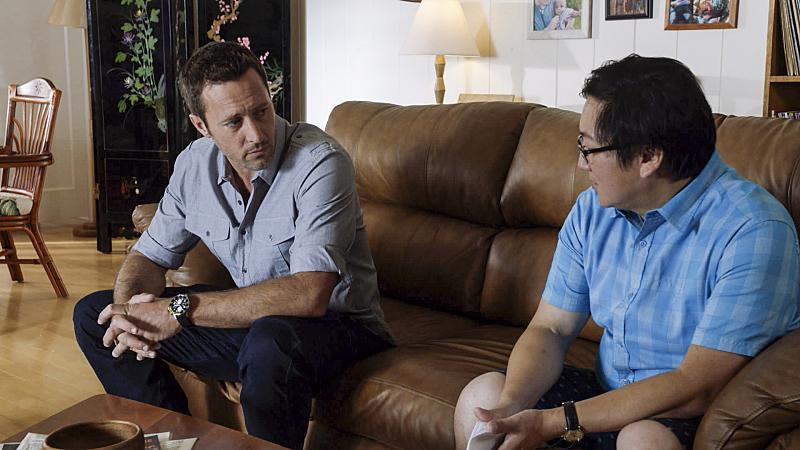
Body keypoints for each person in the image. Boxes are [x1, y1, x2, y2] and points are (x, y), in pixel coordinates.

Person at [453, 54, 800, 450]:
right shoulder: (592, 210)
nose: (581, 165)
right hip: (607, 392)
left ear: (648, 157)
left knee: (642, 439)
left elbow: (696, 385)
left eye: (588, 148)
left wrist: (553, 422)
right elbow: (551, 328)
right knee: (483, 397)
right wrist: (512, 406)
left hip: (684, 410)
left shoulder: (752, 229)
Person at [73, 42, 394, 450]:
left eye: (262, 111)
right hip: (255, 324)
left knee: (270, 340)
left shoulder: (320, 162)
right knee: (95, 315)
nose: (256, 134)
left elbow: (310, 293)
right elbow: (148, 257)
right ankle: (173, 443)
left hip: (341, 329)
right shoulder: (194, 165)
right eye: (234, 122)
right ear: (201, 125)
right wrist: (128, 314)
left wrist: (178, 309)